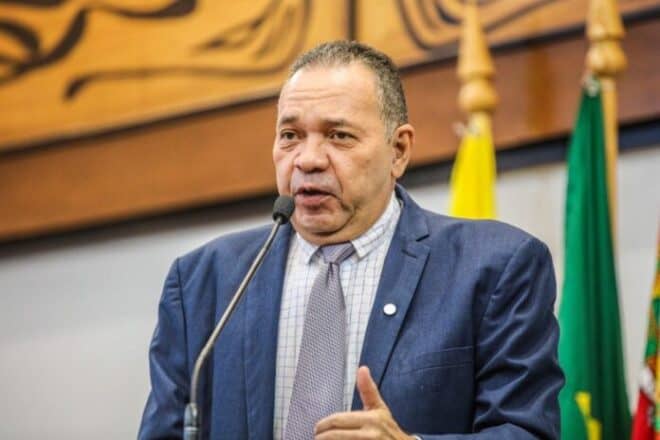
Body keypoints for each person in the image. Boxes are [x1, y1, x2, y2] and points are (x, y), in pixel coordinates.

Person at [138, 41, 563, 439]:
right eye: (290, 136)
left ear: (399, 151)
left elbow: (526, 431)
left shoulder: (493, 268)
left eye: (338, 135)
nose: (307, 159)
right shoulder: (204, 282)